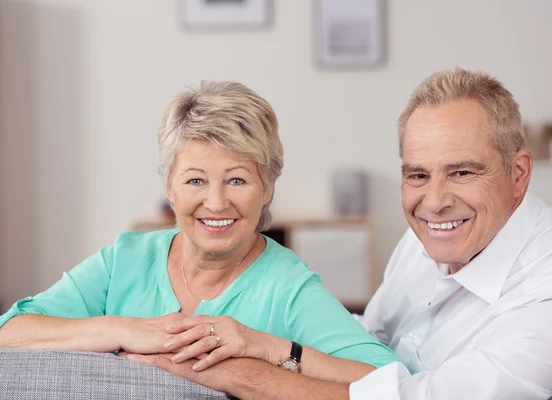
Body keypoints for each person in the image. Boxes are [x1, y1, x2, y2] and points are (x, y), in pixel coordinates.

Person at [127, 68, 552, 400]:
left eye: (461, 172)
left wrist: (242, 374)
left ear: (518, 173)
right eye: (417, 175)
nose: (433, 201)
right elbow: (371, 338)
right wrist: (272, 338)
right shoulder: (430, 239)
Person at [0, 81, 400, 383]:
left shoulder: (288, 286)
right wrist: (127, 329)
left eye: (237, 180)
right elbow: (10, 332)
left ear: (268, 189)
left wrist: (269, 348)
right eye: (195, 181)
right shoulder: (126, 258)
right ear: (168, 186)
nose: (216, 202)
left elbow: (389, 379)